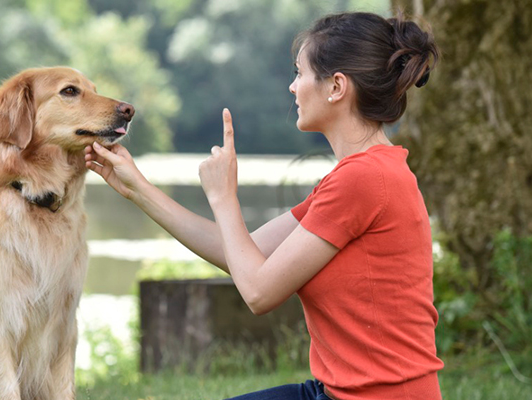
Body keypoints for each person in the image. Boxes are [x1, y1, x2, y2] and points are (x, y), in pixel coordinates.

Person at [84, 11, 443, 400]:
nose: (292, 88)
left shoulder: (363, 180)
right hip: (336, 392)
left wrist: (224, 198)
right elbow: (244, 253)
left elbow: (257, 292)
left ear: (336, 86)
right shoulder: (362, 175)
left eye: (299, 74)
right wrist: (138, 188)